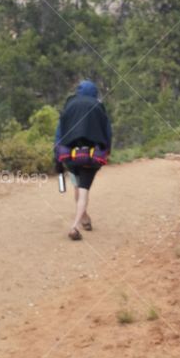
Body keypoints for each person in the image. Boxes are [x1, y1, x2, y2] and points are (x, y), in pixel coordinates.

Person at [54, 80, 112, 240]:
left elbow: (59, 132)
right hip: (91, 156)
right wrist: (107, 150)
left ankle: (85, 218)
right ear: (94, 92)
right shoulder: (99, 107)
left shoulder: (69, 106)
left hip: (70, 155)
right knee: (84, 190)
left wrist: (57, 156)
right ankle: (75, 226)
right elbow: (108, 132)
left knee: (77, 186)